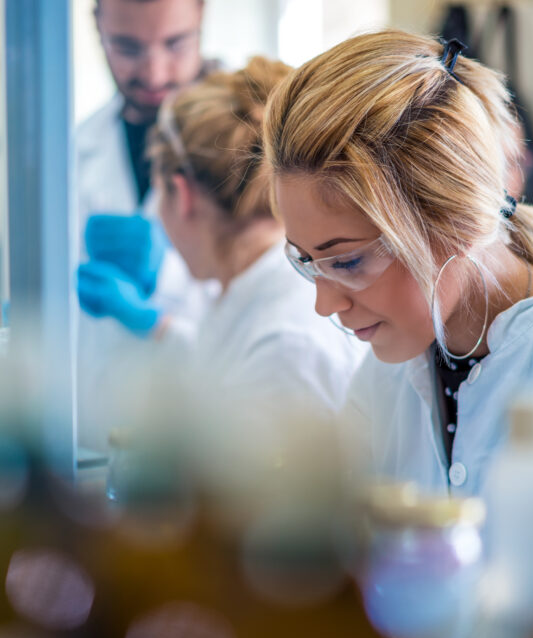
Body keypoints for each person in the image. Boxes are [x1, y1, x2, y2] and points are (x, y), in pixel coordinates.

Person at [261, 29, 533, 498]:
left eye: (346, 262)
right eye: (306, 260)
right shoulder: (385, 375)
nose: (323, 306)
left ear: (458, 223)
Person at [80, 57, 363, 423]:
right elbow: (218, 369)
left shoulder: (286, 344)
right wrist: (157, 327)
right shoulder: (248, 288)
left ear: (180, 195)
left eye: (159, 193)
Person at [75, 0, 213, 449]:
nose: (154, 74)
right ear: (99, 28)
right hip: (98, 429)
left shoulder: (249, 141)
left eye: (175, 44)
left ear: (201, 17)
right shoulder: (76, 147)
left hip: (204, 431)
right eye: (128, 48)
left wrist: (166, 277)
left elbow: (278, 295)